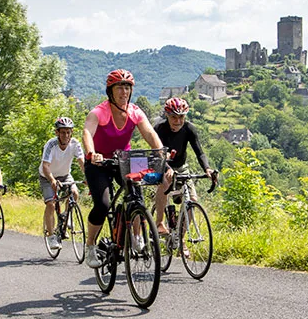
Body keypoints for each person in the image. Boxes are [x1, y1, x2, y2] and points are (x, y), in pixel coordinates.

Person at [82, 69, 162, 268]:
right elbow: (87, 133)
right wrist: (92, 153)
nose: (123, 91)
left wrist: (160, 151)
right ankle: (90, 245)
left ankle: (136, 237)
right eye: (119, 87)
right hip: (98, 162)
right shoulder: (99, 112)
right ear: (110, 91)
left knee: (136, 196)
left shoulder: (135, 111)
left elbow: (150, 133)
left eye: (127, 87)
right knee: (103, 204)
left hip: (124, 159)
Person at [153, 96, 213, 234]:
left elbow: (199, 152)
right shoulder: (160, 129)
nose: (178, 121)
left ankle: (181, 238)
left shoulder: (189, 128)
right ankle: (159, 223)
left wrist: (207, 169)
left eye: (181, 117)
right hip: (162, 164)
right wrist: (167, 168)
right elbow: (156, 153)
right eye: (174, 117)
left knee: (192, 200)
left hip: (181, 166)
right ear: (167, 115)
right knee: (164, 183)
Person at [39, 117, 85, 249]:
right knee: (51, 204)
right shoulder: (51, 145)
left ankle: (67, 215)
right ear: (57, 133)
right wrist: (52, 180)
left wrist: (87, 176)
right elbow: (46, 166)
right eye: (63, 132)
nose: (66, 135)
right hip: (47, 176)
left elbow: (81, 162)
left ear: (72, 132)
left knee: (75, 193)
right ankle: (51, 236)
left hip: (65, 175)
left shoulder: (75, 144)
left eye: (68, 132)